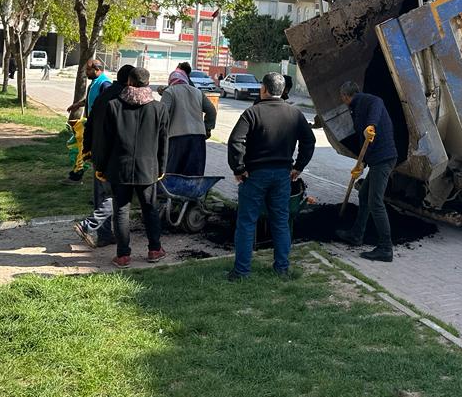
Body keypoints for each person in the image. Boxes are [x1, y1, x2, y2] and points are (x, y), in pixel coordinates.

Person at [226, 72, 315, 280]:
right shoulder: (295, 114)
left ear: (263, 89)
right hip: (283, 176)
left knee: (247, 222)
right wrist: (299, 166)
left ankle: (241, 271)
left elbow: (235, 142)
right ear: (283, 91)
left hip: (254, 175)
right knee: (281, 221)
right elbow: (309, 142)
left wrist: (238, 169)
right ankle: (282, 268)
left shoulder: (252, 113)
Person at [92, 67, 168, 268]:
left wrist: (100, 166)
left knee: (122, 211)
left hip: (119, 168)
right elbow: (163, 142)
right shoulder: (159, 109)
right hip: (148, 169)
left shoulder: (113, 105)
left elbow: (104, 141)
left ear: (128, 82)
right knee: (150, 209)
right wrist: (162, 166)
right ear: (147, 83)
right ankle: (154, 250)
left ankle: (123, 255)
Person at [334, 81, 398, 263]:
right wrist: (361, 165)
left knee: (375, 202)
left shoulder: (368, 101)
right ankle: (356, 235)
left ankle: (386, 248)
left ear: (345, 96)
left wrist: (371, 125)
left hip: (384, 159)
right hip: (376, 160)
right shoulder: (355, 109)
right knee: (363, 194)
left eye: (342, 98)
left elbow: (378, 106)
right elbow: (365, 144)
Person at [73, 64, 134, 248]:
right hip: (115, 156)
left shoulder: (104, 94)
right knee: (118, 195)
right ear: (130, 81)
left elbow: (90, 123)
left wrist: (87, 150)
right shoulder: (123, 97)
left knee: (102, 194)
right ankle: (89, 225)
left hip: (98, 153)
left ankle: (105, 235)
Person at [63, 59, 112, 184]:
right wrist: (78, 104)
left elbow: (107, 104)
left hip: (98, 126)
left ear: (97, 70)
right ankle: (77, 173)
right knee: (82, 148)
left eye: (88, 70)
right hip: (91, 123)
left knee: (86, 149)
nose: (86, 73)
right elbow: (92, 98)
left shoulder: (105, 84)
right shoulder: (96, 82)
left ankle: (79, 175)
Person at [161, 68, 216, 177]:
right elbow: (211, 110)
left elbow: (162, 114)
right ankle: (192, 193)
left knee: (174, 172)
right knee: (194, 172)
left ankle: (171, 193)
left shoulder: (169, 92)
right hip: (198, 137)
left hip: (177, 137)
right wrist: (207, 127)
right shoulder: (197, 92)